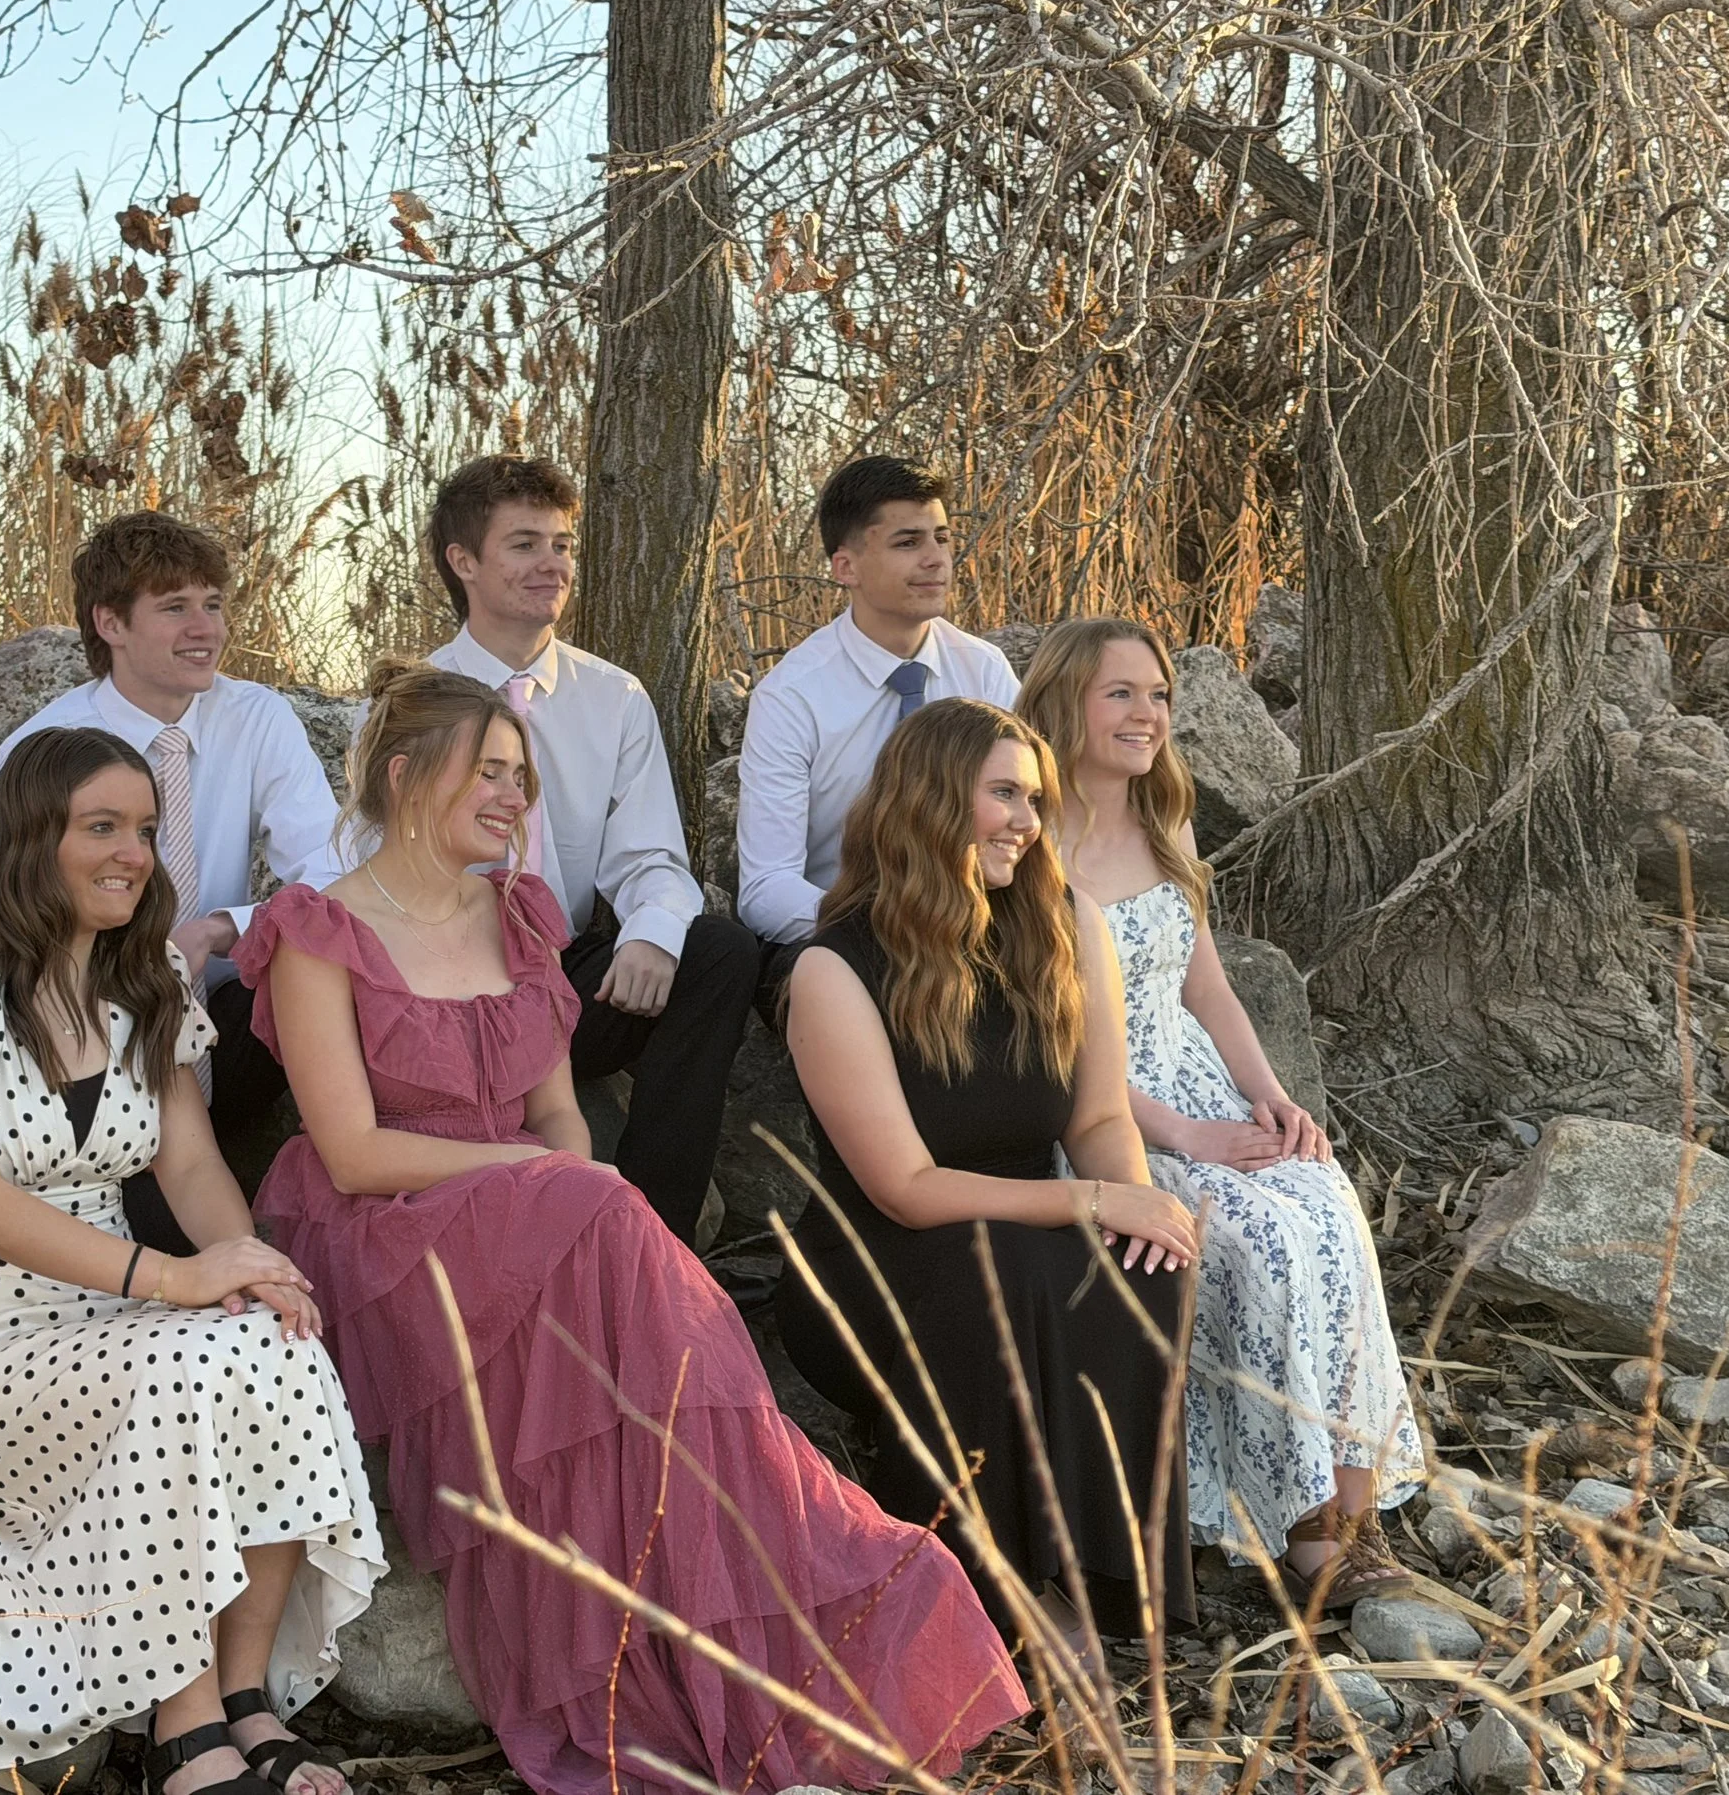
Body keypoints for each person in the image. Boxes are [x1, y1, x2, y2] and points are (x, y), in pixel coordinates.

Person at [237, 663, 1026, 1795]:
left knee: (633, 1318)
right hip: (381, 1235)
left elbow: (561, 1115)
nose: (516, 797)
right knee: (598, 1209)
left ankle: (777, 1664)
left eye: (522, 775)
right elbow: (353, 1152)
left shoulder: (520, 919)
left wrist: (552, 1189)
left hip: (532, 1222)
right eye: (490, 773)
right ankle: (680, 1694)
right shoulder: (317, 931)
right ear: (407, 776)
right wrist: (540, 1181)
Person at [0, 727, 383, 1787]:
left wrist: (246, 1266)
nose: (131, 853)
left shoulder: (139, 979)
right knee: (183, 1362)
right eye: (101, 827)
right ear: (28, 838)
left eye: (143, 830)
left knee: (273, 1346)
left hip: (109, 1322)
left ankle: (244, 1700)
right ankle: (178, 1733)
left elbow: (189, 1168)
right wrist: (175, 1281)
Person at [773, 698, 1198, 1657]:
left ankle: (1103, 1568)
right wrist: (1088, 1200)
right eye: (1004, 793)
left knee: (1145, 1266)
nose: (1028, 820)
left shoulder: (1063, 923)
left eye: (1036, 799)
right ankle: (990, 1589)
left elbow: (1094, 1117)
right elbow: (906, 1185)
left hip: (1021, 1223)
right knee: (994, 1273)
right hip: (877, 1261)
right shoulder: (834, 968)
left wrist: (1130, 1200)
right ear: (930, 799)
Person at [1019, 617, 1424, 1605]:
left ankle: (1354, 1516)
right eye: (1121, 693)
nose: (1147, 713)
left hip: (1203, 1085)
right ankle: (1290, 1529)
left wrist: (1271, 1098)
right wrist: (1184, 1135)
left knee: (1330, 1214)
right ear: (1066, 700)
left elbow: (1206, 989)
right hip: (1110, 1114)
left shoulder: (1167, 822)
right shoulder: (1028, 840)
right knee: (1253, 1244)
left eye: (1158, 695)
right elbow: (1054, 1037)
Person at [420, 455, 758, 1241]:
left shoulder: (614, 695)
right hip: (448, 988)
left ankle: (651, 1239)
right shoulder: (414, 699)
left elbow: (651, 860)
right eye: (525, 544)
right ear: (463, 561)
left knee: (718, 951)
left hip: (566, 979)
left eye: (564, 545)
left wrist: (649, 936)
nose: (552, 564)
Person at [0, 511, 344, 1245]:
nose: (204, 627)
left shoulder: (256, 717)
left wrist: (225, 929)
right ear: (110, 622)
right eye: (175, 607)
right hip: (95, 1019)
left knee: (316, 962)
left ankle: (344, 1181)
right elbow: (7, 924)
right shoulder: (43, 748)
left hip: (222, 1011)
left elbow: (331, 877)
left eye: (213, 604)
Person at [736, 458, 1020, 990]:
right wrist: (890, 927)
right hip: (850, 940)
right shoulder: (791, 696)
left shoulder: (984, 672)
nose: (936, 559)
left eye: (942, 537)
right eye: (908, 542)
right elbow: (766, 888)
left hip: (980, 929)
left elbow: (1033, 816)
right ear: (846, 568)